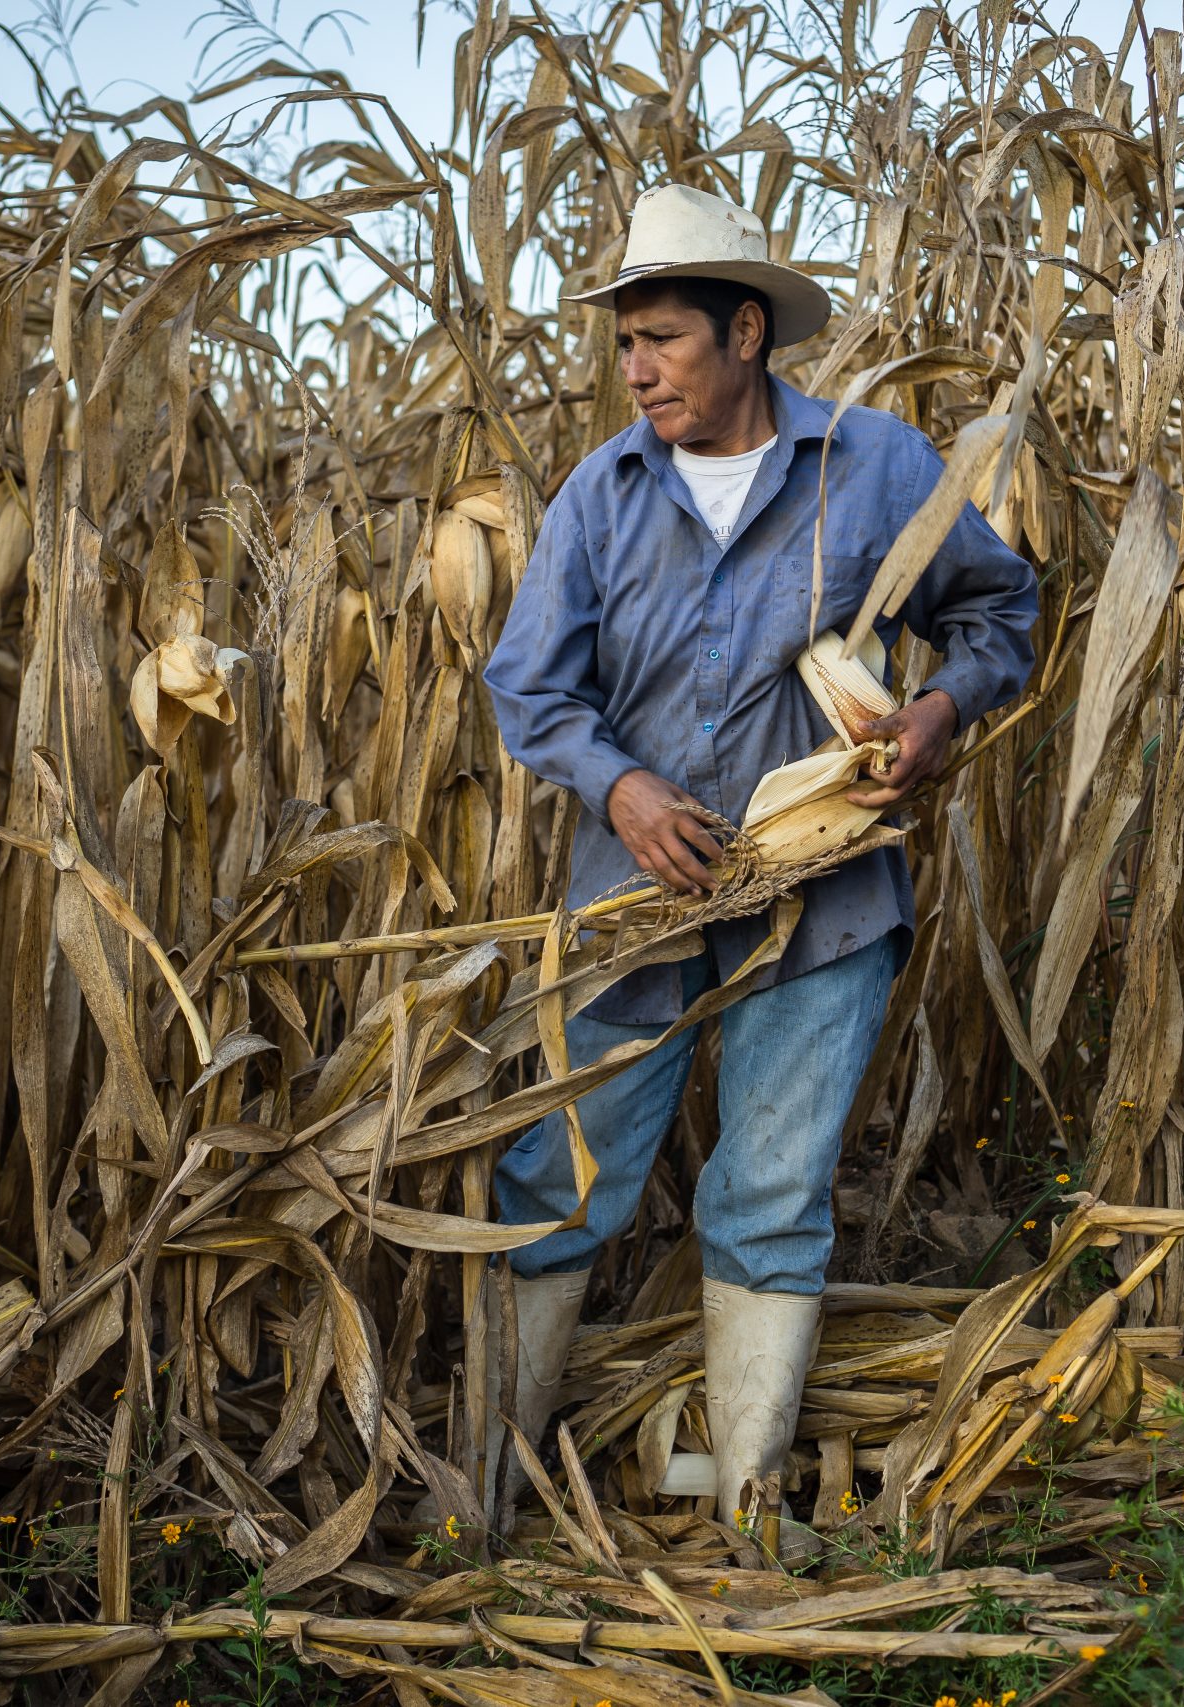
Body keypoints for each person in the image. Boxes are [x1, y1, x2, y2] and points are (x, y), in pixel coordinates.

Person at [478, 182, 1037, 1553]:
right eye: (623, 343)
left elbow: (1002, 607)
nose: (635, 369)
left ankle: (744, 1518)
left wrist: (935, 713)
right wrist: (624, 787)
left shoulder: (879, 467)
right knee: (561, 1176)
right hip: (633, 895)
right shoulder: (598, 499)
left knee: (773, 1191)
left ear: (744, 331)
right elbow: (529, 691)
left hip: (827, 900)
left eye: (661, 337)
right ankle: (480, 1502)